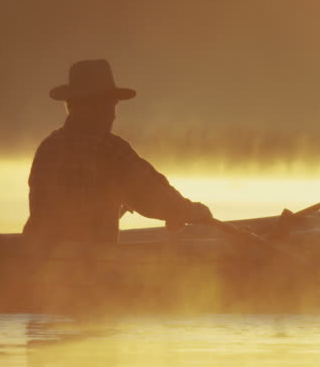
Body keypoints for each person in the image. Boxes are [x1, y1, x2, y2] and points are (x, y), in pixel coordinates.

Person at [23, 59, 212, 248]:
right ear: (88, 107)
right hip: (89, 265)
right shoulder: (108, 149)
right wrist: (189, 211)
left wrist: (116, 199)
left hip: (36, 258)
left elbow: (67, 207)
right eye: (108, 106)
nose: (113, 115)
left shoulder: (48, 148)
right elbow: (152, 193)